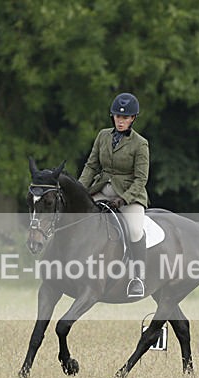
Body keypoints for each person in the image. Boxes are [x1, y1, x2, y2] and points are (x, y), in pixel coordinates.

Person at [79, 92, 149, 298]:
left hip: (129, 194)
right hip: (101, 189)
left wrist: (125, 198)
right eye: (118, 117)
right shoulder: (103, 136)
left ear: (133, 119)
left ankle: (138, 277)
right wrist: (80, 190)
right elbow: (91, 166)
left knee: (136, 230)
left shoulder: (140, 144)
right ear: (113, 117)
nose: (121, 121)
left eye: (125, 117)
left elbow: (141, 179)